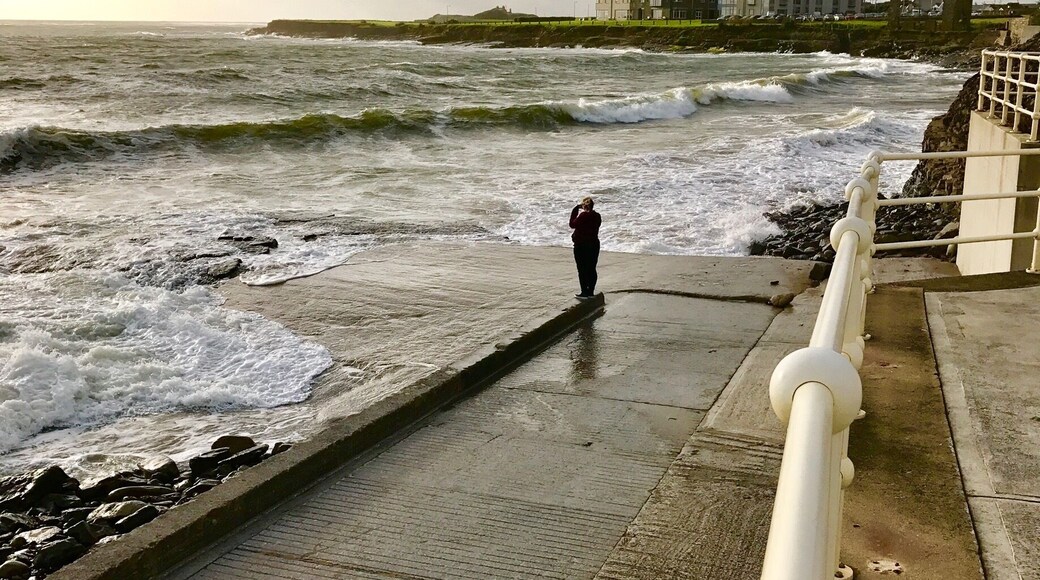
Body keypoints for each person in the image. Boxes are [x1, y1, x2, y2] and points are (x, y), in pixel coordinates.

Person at [569, 196, 601, 299]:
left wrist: (575, 210)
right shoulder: (597, 216)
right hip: (594, 244)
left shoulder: (583, 216)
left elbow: (572, 224)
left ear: (584, 206)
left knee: (582, 269)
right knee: (592, 268)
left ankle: (584, 292)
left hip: (581, 245)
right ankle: (591, 291)